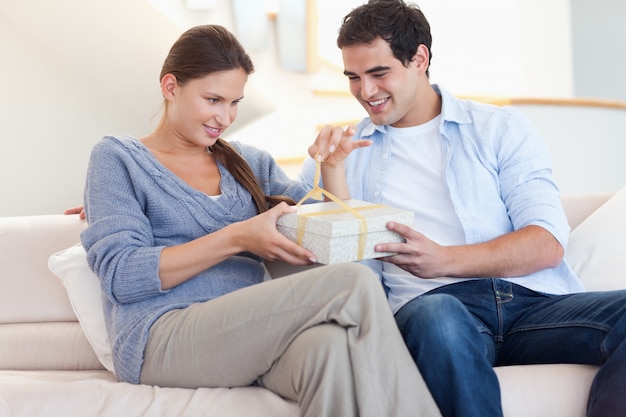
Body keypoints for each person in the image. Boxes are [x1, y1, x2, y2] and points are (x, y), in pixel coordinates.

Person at [78, 24, 440, 417]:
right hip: (159, 337)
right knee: (354, 283)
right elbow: (121, 276)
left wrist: (333, 169)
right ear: (170, 87)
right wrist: (237, 238)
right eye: (213, 99)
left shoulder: (248, 163)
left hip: (249, 332)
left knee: (330, 349)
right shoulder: (118, 158)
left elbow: (322, 237)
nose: (225, 116)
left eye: (234, 102)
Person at [303, 1, 626, 416]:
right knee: (438, 319)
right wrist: (332, 176)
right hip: (436, 310)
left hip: (533, 305)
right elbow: (329, 263)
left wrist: (445, 260)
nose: (366, 92)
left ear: (419, 58)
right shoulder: (339, 157)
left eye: (379, 73)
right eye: (353, 77)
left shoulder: (498, 129)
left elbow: (546, 243)